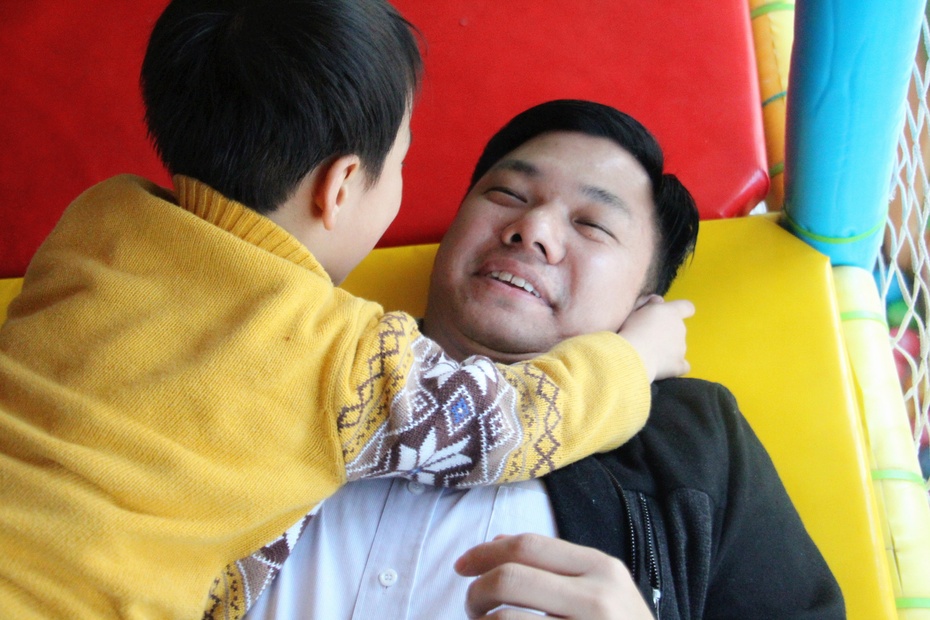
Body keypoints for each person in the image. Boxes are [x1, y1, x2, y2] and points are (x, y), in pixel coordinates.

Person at [0, 4, 695, 620]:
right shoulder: (343, 358)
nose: (532, 230)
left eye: (593, 225)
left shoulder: (98, 219)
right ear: (338, 190)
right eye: (399, 165)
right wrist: (636, 356)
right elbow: (516, 423)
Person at [248, 100, 845, 619]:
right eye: (507, 194)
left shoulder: (693, 434)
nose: (532, 229)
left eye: (592, 224)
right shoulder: (313, 349)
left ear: (642, 305)